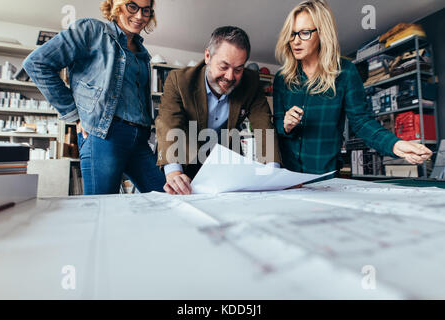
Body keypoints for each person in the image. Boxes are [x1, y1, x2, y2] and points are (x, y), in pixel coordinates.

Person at [23, 0, 166, 195]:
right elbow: (37, 63)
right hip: (105, 135)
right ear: (116, 5)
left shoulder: (142, 53)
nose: (140, 16)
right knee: (102, 207)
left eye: (146, 10)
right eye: (132, 6)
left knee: (165, 196)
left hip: (140, 139)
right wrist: (73, 114)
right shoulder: (91, 30)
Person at [273, 0, 432, 174]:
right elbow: (277, 126)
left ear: (322, 33)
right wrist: (286, 125)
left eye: (304, 33)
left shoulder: (345, 72)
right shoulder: (282, 78)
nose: (295, 41)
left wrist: (394, 144)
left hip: (324, 176)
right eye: (292, 33)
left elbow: (361, 122)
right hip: (288, 176)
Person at [155, 26, 281, 195]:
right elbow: (169, 124)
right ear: (208, 56)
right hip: (184, 157)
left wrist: (272, 172)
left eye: (238, 69)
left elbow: (264, 126)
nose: (230, 77)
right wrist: (174, 173)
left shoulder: (250, 82)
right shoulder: (179, 81)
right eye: (224, 66)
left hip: (224, 164)